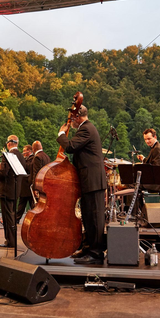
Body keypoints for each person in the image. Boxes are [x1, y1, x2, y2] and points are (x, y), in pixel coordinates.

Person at [57, 105, 107, 265]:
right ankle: (87, 247)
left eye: (71, 119)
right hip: (88, 180)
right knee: (87, 216)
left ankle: (96, 253)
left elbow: (71, 147)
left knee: (94, 218)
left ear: (77, 117)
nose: (70, 122)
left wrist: (61, 134)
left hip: (92, 180)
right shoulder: (85, 129)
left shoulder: (86, 129)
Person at [0, 135, 26, 248]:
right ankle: (12, 240)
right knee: (13, 216)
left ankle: (10, 241)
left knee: (7, 216)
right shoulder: (21, 156)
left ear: (9, 143)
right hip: (16, 190)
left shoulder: (8, 155)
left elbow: (3, 173)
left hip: (6, 191)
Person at [136, 128, 160, 193]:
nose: (147, 141)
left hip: (159, 183)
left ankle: (134, 203)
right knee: (135, 183)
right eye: (145, 139)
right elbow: (152, 162)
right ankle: (137, 202)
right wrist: (143, 159)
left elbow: (156, 168)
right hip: (157, 181)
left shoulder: (157, 149)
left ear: (155, 137)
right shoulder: (155, 147)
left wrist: (141, 168)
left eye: (149, 139)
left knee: (132, 184)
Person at [16, 144, 34, 224]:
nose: (23, 153)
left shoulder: (32, 158)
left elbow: (28, 168)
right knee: (22, 204)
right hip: (24, 187)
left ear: (29, 151)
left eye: (24, 151)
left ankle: (33, 218)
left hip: (27, 185)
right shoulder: (27, 159)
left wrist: (22, 161)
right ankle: (17, 218)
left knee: (30, 204)